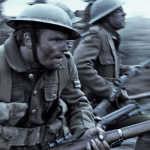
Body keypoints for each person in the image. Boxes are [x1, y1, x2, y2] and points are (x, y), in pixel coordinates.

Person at [0, 4, 110, 150]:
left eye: (66, 40)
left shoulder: (64, 62)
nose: (65, 48)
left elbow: (77, 102)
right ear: (28, 39)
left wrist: (85, 129)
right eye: (56, 40)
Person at [73, 0, 150, 149]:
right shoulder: (95, 35)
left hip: (114, 109)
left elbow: (104, 65)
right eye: (118, 11)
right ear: (106, 16)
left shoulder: (108, 37)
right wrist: (108, 90)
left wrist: (126, 69)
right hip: (95, 111)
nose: (124, 13)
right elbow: (80, 66)